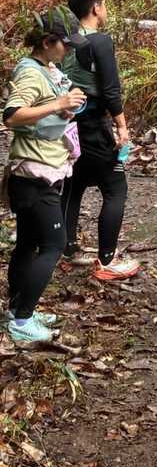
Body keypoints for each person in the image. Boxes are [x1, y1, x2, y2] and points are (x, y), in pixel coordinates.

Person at [3, 24, 85, 345]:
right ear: (48, 42)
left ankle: (16, 310)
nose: (69, 51)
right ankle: (22, 319)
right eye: (66, 45)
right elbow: (12, 115)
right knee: (54, 245)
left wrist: (67, 107)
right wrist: (58, 104)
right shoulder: (30, 73)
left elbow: (44, 113)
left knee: (27, 244)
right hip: (35, 174)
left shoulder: (45, 68)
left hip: (41, 170)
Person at [60, 0, 141, 281]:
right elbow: (110, 89)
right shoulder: (100, 41)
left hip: (68, 124)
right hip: (94, 123)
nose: (104, 9)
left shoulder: (67, 41)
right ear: (95, 7)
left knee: (74, 184)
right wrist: (121, 126)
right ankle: (107, 260)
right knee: (115, 187)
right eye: (103, 4)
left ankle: (67, 250)